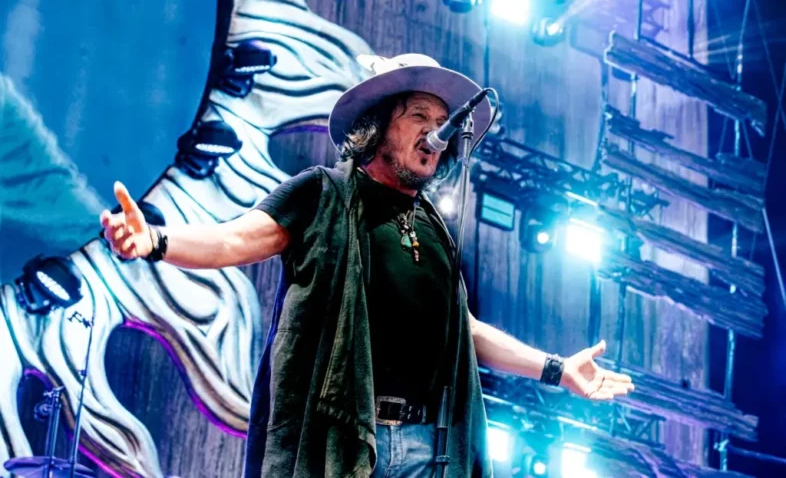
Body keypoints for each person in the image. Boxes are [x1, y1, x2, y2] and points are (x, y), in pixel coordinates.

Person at [100, 54, 634, 478]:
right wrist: (154, 240)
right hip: (341, 441)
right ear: (378, 125)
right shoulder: (322, 194)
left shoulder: (436, 230)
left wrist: (557, 369)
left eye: (443, 123)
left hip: (426, 449)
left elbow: (464, 332)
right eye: (419, 116)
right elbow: (234, 240)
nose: (435, 134)